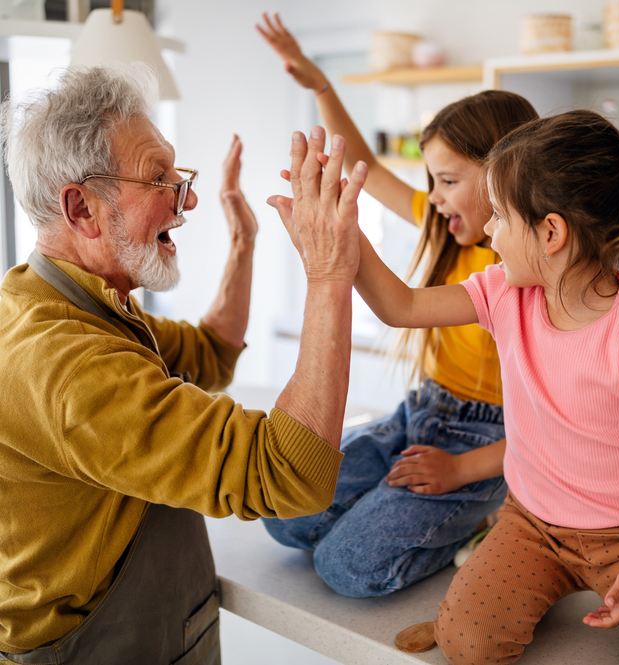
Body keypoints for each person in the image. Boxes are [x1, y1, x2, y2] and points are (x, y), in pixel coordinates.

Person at [0, 64, 366, 664]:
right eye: (159, 177)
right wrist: (329, 275)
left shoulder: (65, 301)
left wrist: (244, 244)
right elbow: (288, 475)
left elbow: (209, 353)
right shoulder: (68, 366)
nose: (186, 197)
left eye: (178, 172)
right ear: (83, 209)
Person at [346, 109, 619, 663]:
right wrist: (339, 234)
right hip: (531, 525)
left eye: (498, 215)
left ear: (550, 233)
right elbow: (401, 307)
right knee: (468, 644)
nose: (488, 230)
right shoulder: (502, 291)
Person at [257, 12, 538, 597]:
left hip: (485, 445)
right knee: (284, 515)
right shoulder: (446, 226)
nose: (432, 198)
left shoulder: (525, 277)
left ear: (505, 177)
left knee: (347, 567)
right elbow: (370, 164)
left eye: (447, 180)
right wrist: (320, 86)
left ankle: (482, 522)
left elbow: (552, 427)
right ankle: (407, 508)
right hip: (420, 412)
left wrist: (461, 469)